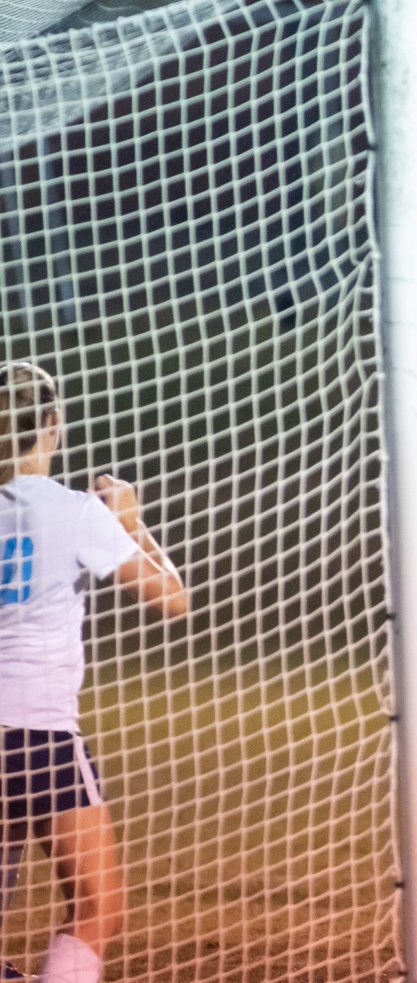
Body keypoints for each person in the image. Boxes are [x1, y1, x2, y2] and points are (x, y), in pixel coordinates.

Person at [0, 362, 188, 983]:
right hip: (39, 734)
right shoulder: (76, 511)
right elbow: (173, 597)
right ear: (52, 423)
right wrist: (130, 520)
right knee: (97, 907)